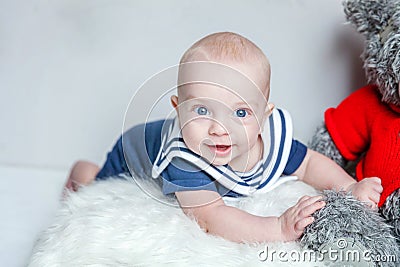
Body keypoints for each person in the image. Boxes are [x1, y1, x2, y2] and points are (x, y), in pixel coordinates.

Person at [65, 32, 383, 243]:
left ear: (264, 116)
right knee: (95, 187)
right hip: (131, 153)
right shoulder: (184, 158)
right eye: (202, 111)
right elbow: (210, 216)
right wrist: (277, 227)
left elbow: (310, 163)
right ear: (178, 109)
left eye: (241, 113)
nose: (220, 129)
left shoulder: (270, 140)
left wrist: (349, 187)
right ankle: (82, 170)